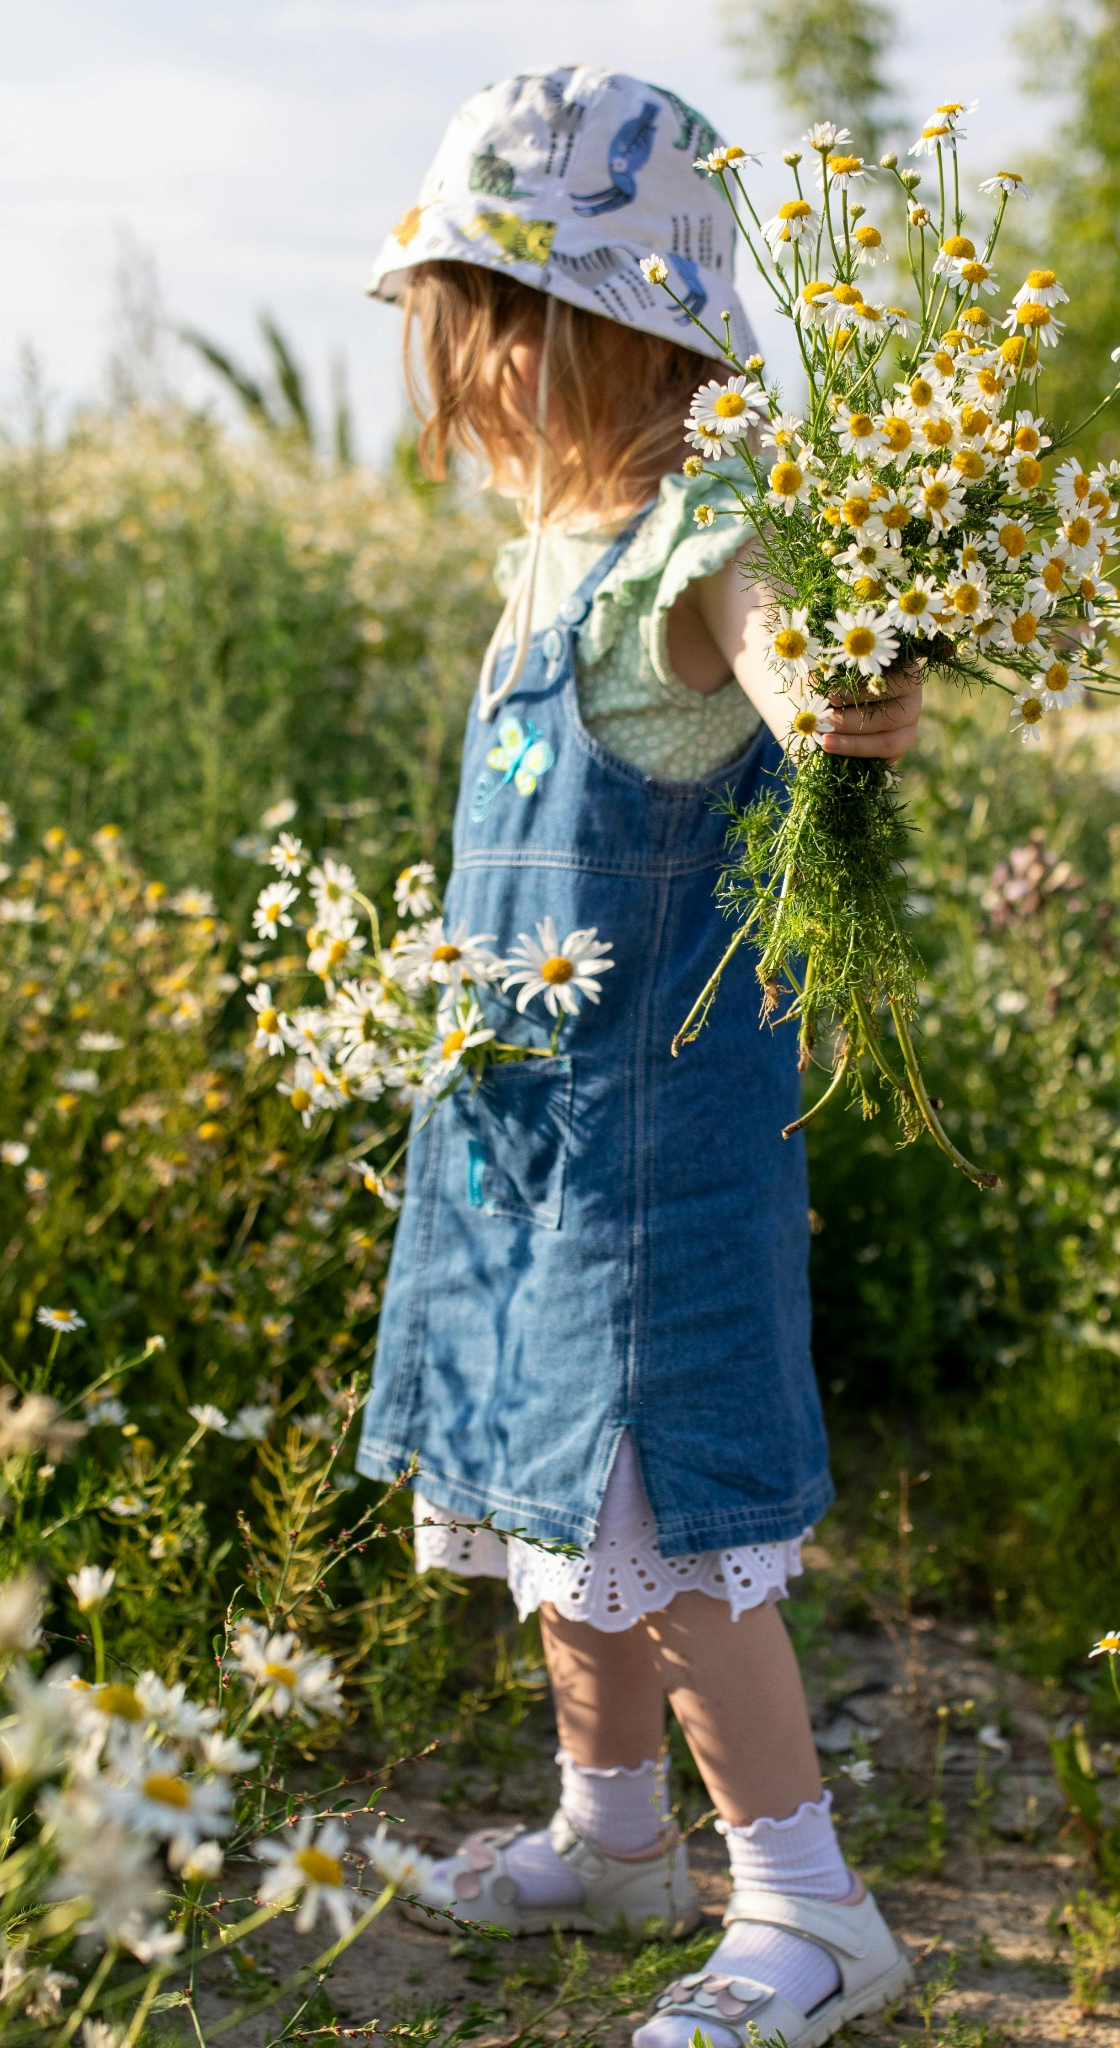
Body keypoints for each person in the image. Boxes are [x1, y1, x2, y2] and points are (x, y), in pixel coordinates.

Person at [357, 67, 921, 2048]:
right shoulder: (551, 551)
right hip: (519, 1135)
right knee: (553, 1513)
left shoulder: (705, 541)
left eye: (490, 336)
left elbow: (801, 667)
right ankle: (611, 1838)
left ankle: (811, 1906)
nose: (469, 384)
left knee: (665, 1528)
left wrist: (850, 698)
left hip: (654, 1145)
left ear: (591, 331)